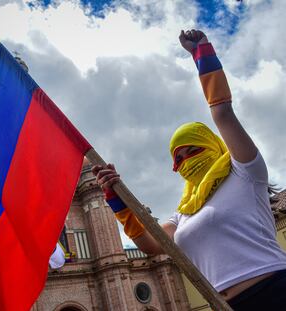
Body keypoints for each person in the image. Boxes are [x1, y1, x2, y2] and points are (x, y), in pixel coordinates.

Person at [92, 30, 286, 311]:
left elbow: (223, 113)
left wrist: (202, 54)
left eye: (192, 150)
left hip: (276, 293)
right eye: (177, 158)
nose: (185, 161)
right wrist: (116, 200)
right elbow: (151, 244)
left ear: (211, 144)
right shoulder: (184, 211)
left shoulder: (245, 172)